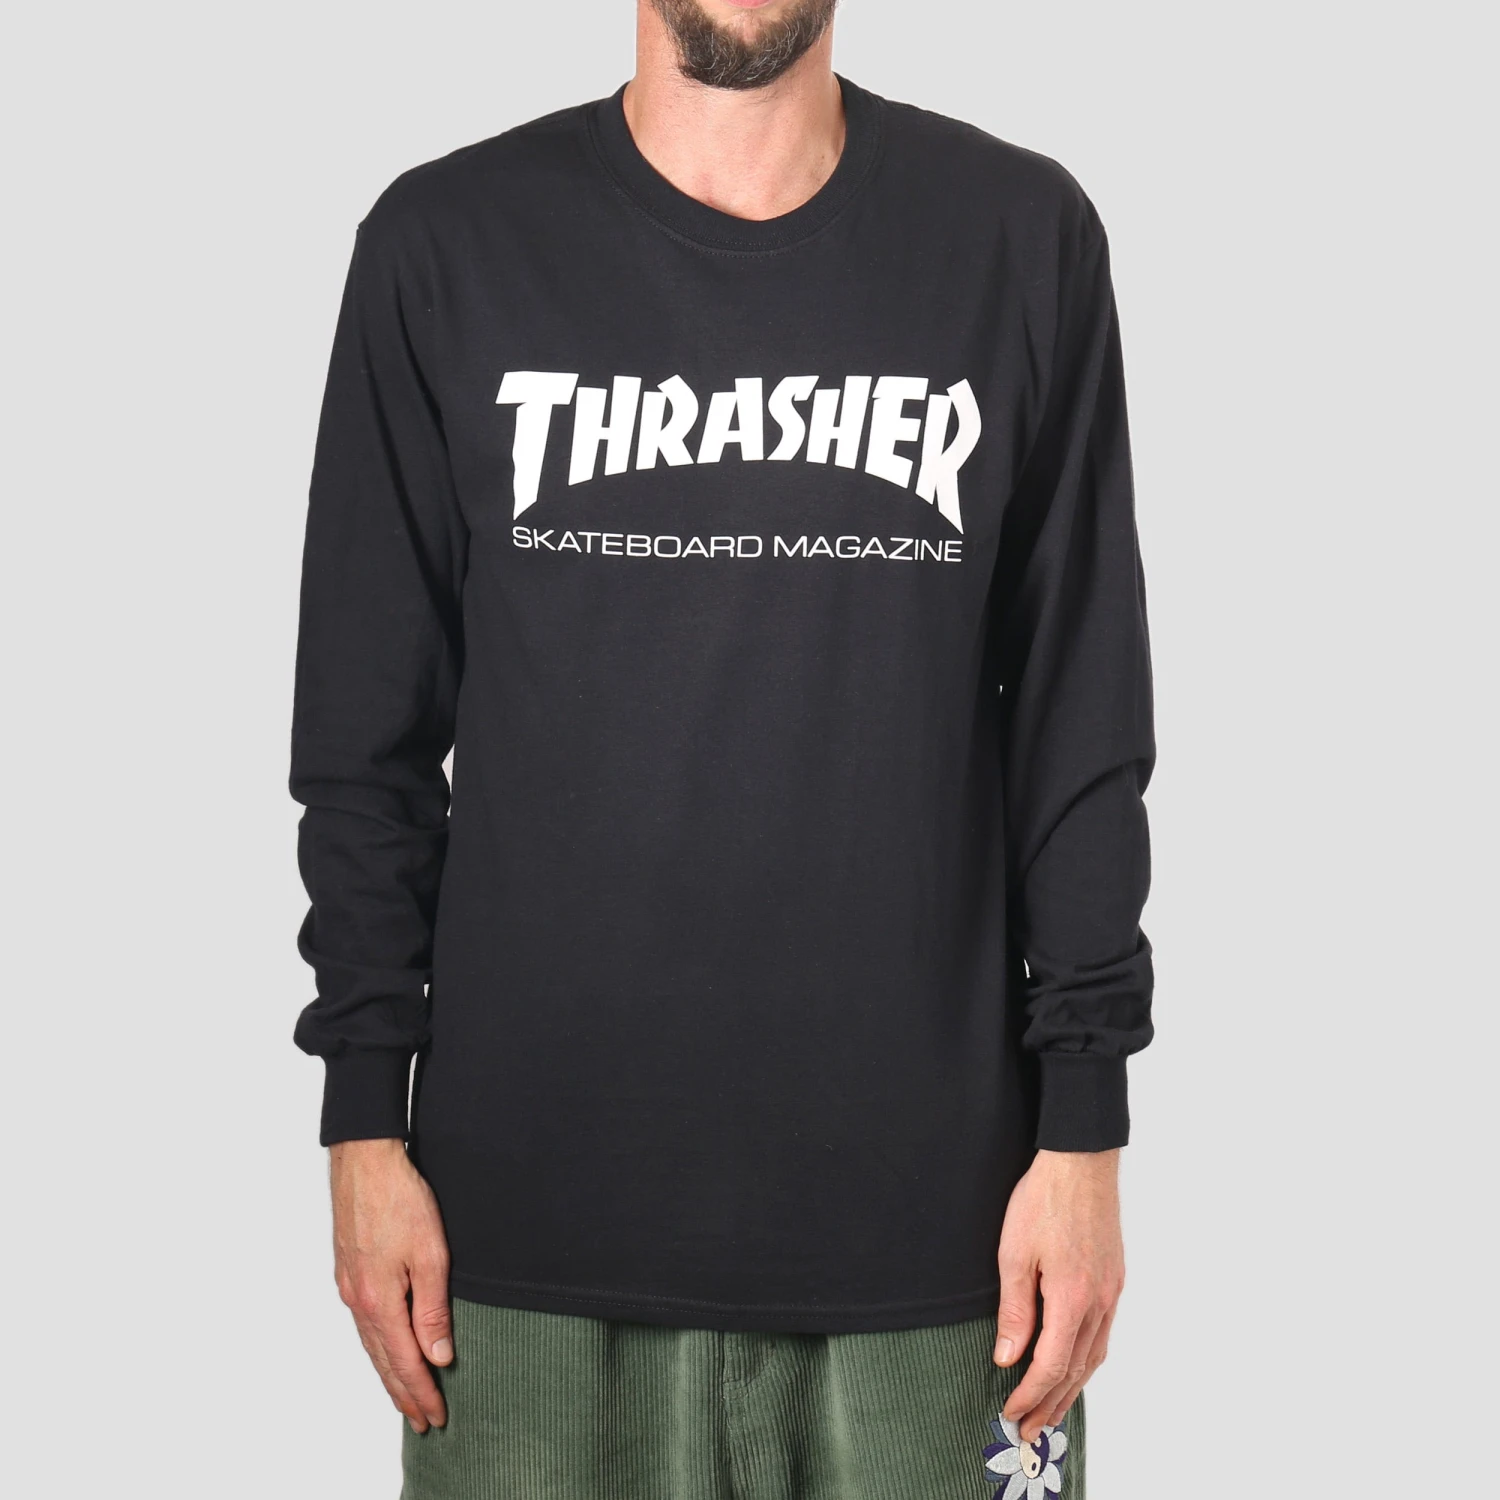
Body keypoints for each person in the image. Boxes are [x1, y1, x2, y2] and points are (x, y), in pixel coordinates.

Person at [290, 1, 1155, 1494]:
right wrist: (364, 1120)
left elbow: (1082, 723)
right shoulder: (444, 247)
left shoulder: (1018, 239)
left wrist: (1086, 1133)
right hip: (524, 1251)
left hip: (948, 1253)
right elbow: (365, 738)